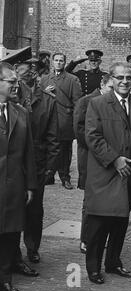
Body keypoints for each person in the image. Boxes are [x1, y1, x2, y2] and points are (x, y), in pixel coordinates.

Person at [84, 62, 131, 285]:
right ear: (111, 79)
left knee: (120, 223)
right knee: (99, 224)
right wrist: (114, 159)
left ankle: (113, 262)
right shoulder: (97, 104)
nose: (124, 81)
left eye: (128, 77)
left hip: (130, 178)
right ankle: (93, 268)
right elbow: (92, 137)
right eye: (119, 78)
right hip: (105, 176)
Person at [13, 59, 59, 269]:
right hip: (13, 163)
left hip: (37, 163)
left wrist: (50, 166)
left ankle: (32, 248)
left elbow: (53, 137)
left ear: (38, 74)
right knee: (12, 208)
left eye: (34, 70)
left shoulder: (48, 100)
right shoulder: (12, 96)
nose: (30, 73)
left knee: (34, 210)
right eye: (25, 70)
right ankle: (13, 253)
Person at [0, 62, 38, 291]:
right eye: (11, 81)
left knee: (11, 233)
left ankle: (5, 279)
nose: (17, 85)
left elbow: (28, 152)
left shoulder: (21, 113)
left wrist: (31, 185)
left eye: (17, 81)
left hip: (14, 185)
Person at [73, 74, 114, 254]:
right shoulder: (86, 101)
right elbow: (80, 131)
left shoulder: (113, 103)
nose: (114, 92)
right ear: (103, 85)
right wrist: (100, 146)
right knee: (89, 200)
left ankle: (99, 236)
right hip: (90, 158)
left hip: (108, 158)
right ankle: (86, 239)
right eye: (111, 88)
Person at [40, 53, 83, 189]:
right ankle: (49, 175)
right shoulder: (45, 79)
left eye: (61, 61)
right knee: (50, 147)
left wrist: (76, 122)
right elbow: (39, 99)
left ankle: (65, 177)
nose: (58, 63)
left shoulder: (72, 79)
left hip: (65, 118)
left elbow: (78, 102)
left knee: (65, 149)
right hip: (49, 118)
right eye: (56, 60)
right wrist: (44, 92)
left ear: (65, 63)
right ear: (52, 62)